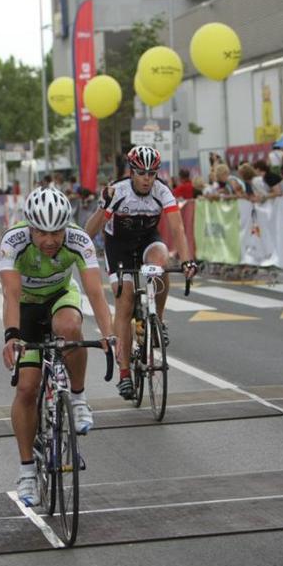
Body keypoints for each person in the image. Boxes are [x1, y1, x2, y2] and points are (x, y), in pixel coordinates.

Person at [0, 187, 116, 507]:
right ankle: (27, 472)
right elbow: (11, 295)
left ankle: (77, 398)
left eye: (57, 232)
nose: (50, 240)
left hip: (60, 297)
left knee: (70, 329)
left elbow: (95, 292)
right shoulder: (13, 241)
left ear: (67, 227)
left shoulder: (79, 239)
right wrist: (12, 336)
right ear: (30, 227)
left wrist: (109, 335)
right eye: (41, 232)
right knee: (27, 387)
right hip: (26, 307)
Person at [84, 145, 196, 400]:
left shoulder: (162, 191)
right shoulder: (118, 191)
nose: (147, 179)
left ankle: (158, 321)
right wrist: (103, 205)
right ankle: (124, 374)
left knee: (161, 262)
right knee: (124, 303)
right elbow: (89, 231)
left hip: (147, 240)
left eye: (152, 173)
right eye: (141, 173)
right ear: (131, 171)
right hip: (119, 247)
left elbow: (177, 229)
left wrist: (188, 261)